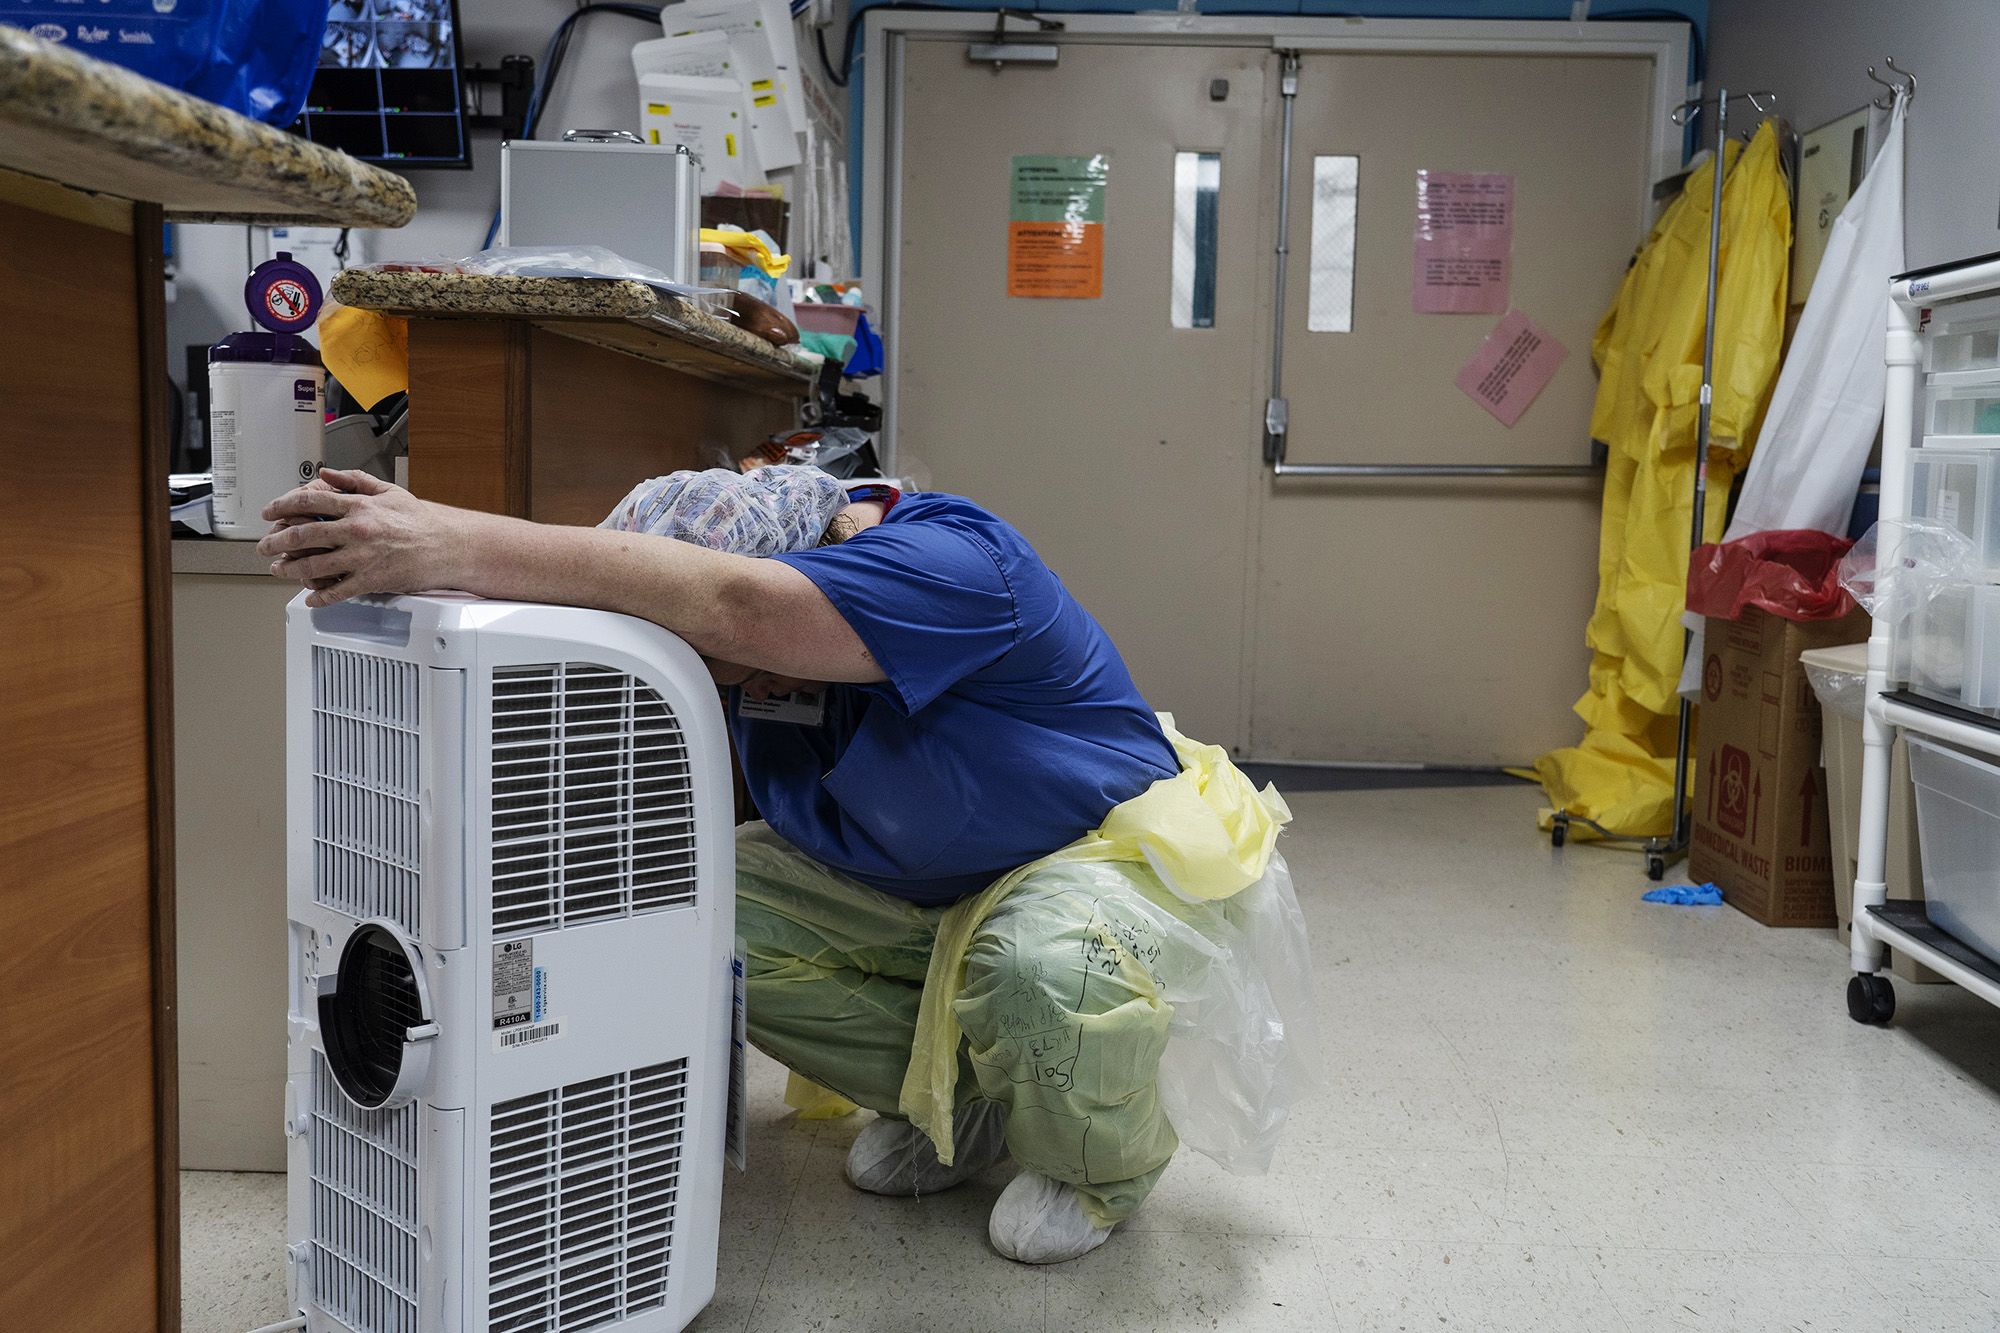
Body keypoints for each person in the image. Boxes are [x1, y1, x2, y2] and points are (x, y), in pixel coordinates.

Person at [260, 463, 1298, 1264]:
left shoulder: (952, 559)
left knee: (1040, 968)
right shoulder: (755, 663)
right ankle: (966, 1098)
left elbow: (738, 608)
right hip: (918, 885)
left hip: (1090, 860)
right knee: (694, 918)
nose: (698, 664)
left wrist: (448, 536)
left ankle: (1097, 1166)